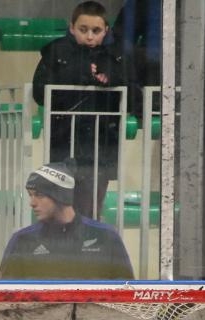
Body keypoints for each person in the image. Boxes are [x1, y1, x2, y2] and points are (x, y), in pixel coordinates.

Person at [32, 1, 141, 219]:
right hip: (63, 140)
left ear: (106, 30)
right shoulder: (55, 51)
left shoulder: (118, 57)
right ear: (72, 27)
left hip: (102, 144)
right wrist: (76, 75)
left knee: (91, 207)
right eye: (83, 29)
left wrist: (115, 80)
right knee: (61, 206)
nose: (89, 36)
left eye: (96, 30)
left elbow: (134, 99)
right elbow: (39, 92)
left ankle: (89, 239)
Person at [0, 163, 134, 280]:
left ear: (60, 196)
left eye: (39, 195)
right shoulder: (22, 241)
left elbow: (128, 292)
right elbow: (4, 296)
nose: (32, 203)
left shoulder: (106, 237)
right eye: (30, 195)